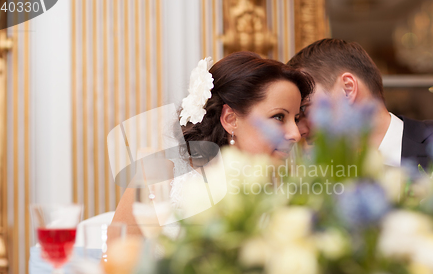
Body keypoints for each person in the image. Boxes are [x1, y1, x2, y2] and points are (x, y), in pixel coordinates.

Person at [111, 51, 313, 233]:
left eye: (296, 119)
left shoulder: (287, 188)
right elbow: (117, 259)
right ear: (230, 119)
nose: (295, 133)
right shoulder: (158, 173)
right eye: (279, 117)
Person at [288, 38, 433, 169]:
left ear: (347, 89)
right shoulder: (321, 184)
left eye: (304, 109)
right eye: (296, 118)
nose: (298, 132)